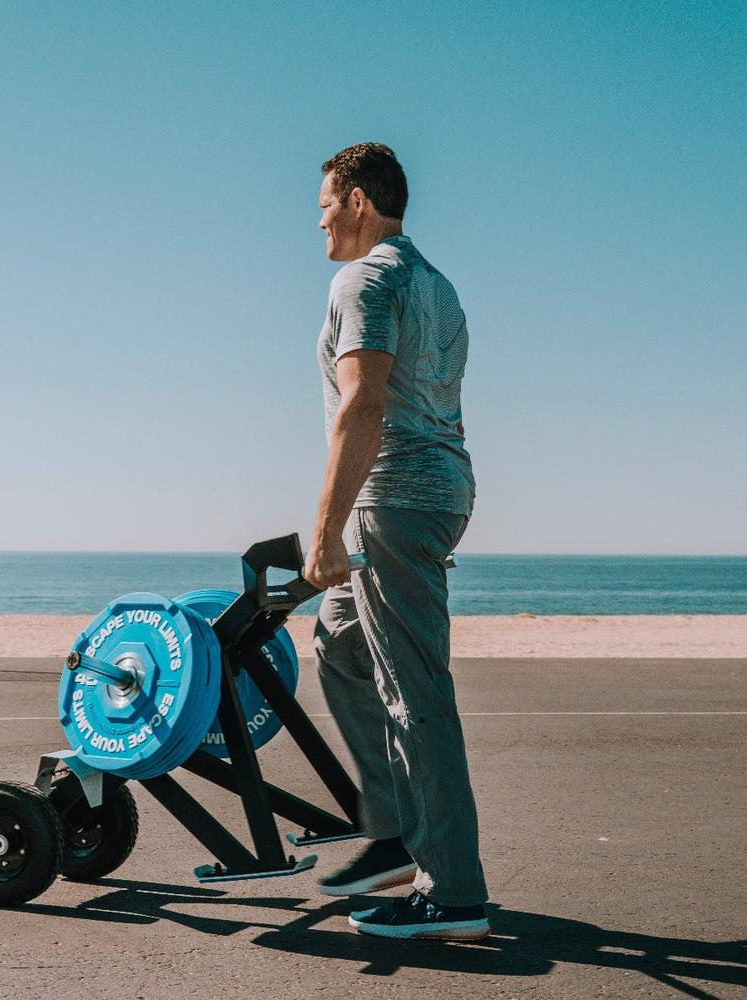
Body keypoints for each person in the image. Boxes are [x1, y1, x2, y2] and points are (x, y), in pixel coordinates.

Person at [302, 142, 489, 941]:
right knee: (339, 646)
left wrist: (325, 530)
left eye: (324, 206)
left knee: (415, 692)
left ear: (357, 201)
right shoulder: (438, 287)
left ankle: (453, 893)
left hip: (395, 501)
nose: (319, 223)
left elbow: (363, 406)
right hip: (438, 489)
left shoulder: (365, 280)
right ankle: (393, 835)